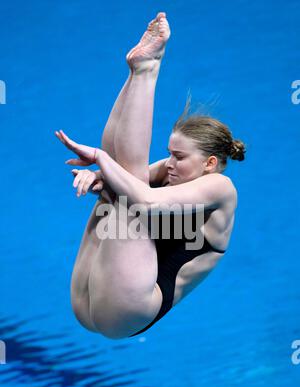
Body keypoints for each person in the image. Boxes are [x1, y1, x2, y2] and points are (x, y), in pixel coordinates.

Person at [55, 12, 245, 339]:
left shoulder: (221, 189)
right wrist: (97, 177)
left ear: (210, 163)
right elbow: (122, 175)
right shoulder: (174, 174)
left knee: (128, 185)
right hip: (91, 298)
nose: (169, 163)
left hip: (132, 307)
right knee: (120, 180)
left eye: (179, 156)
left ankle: (146, 71)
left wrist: (101, 161)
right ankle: (139, 72)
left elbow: (146, 203)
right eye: (170, 153)